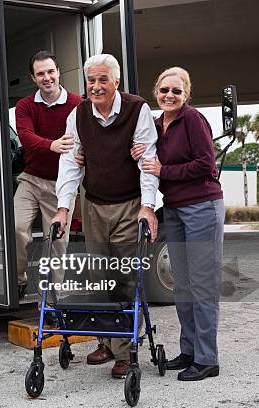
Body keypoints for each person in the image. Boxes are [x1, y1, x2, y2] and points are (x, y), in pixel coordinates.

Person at [51, 54, 159, 379]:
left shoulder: (137, 109)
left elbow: (148, 159)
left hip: (129, 203)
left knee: (126, 277)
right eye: (90, 81)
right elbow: (70, 163)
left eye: (102, 80)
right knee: (99, 276)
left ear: (116, 82)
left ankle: (125, 349)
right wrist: (63, 208)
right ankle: (106, 343)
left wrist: (148, 206)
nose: (95, 87)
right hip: (95, 203)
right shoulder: (79, 114)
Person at [131, 67, 224, 381]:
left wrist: (162, 170)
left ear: (186, 94)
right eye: (164, 90)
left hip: (202, 207)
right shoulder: (156, 125)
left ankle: (207, 359)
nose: (169, 96)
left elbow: (205, 165)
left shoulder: (193, 120)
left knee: (202, 285)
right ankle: (189, 351)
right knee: (182, 285)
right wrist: (140, 155)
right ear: (156, 91)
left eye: (176, 91)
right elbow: (152, 161)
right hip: (173, 209)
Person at [14, 50, 82, 299]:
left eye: (50, 71)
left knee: (57, 243)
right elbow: (26, 136)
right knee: (17, 228)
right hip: (30, 180)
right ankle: (19, 280)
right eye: (40, 73)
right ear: (33, 78)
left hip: (61, 185)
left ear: (58, 72)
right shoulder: (25, 106)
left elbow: (88, 137)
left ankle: (55, 298)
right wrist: (51, 145)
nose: (47, 77)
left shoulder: (77, 104)